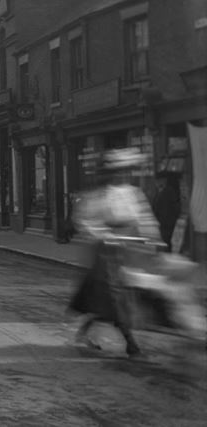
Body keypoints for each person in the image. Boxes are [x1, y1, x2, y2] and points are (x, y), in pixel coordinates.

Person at [69, 148, 162, 357]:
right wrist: (104, 234)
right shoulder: (95, 196)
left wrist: (152, 236)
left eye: (125, 171)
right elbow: (84, 221)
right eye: (117, 172)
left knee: (133, 293)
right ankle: (131, 342)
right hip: (107, 254)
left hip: (131, 251)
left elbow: (144, 217)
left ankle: (87, 327)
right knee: (114, 297)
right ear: (107, 174)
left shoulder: (133, 193)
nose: (121, 176)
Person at [151, 172, 181, 253]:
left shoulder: (169, 191)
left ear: (163, 180)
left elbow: (174, 209)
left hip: (166, 225)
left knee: (165, 245)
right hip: (161, 225)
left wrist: (169, 221)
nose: (156, 183)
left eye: (157, 181)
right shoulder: (159, 192)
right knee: (162, 245)